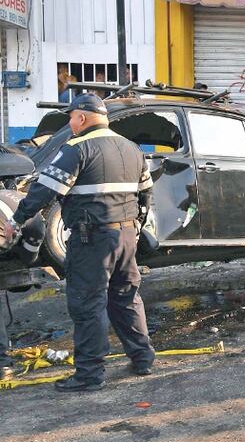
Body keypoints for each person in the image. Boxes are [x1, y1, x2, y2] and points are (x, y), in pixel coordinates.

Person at [3, 94, 156, 392]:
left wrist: (15, 221)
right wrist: (135, 226)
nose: (70, 123)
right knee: (126, 298)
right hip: (125, 236)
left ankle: (89, 375)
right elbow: (146, 195)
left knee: (88, 304)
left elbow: (42, 192)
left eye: (71, 118)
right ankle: (143, 358)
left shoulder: (76, 148)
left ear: (82, 118)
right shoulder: (132, 149)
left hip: (92, 240)